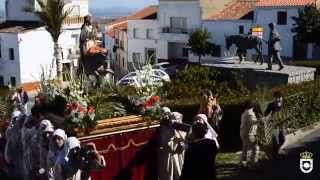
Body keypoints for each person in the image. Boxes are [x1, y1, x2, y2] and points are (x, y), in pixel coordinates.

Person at [158, 107, 186, 180]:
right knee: (169, 173)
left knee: (178, 171)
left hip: (177, 154)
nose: (166, 116)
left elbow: (184, 142)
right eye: (164, 114)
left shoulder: (177, 128)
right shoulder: (164, 128)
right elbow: (167, 143)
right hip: (168, 155)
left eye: (168, 114)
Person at [264, 91, 285, 158]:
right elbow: (266, 114)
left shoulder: (282, 104)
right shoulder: (271, 105)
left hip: (281, 124)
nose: (278, 99)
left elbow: (284, 113)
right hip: (274, 124)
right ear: (274, 98)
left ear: (282, 98)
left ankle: (277, 150)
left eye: (280, 97)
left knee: (283, 139)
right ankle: (276, 152)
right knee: (275, 139)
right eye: (277, 98)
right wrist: (269, 118)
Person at [240, 100, 259, 167]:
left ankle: (243, 163)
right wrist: (262, 120)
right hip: (249, 133)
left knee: (245, 148)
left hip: (243, 133)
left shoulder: (244, 112)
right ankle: (253, 164)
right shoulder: (249, 113)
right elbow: (253, 122)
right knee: (254, 148)